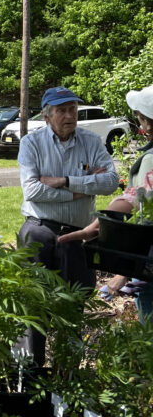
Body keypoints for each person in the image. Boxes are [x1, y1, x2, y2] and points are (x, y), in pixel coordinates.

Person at [17, 86, 119, 361]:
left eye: (72, 109)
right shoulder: (31, 143)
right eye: (61, 110)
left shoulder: (91, 141)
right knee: (33, 306)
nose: (69, 115)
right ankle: (30, 371)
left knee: (73, 306)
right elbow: (32, 190)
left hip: (78, 235)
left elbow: (111, 182)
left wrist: (65, 181)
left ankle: (68, 371)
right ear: (46, 116)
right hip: (39, 231)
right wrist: (82, 190)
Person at [59, 84, 153, 321]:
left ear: (147, 122)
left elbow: (140, 205)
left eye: (139, 116)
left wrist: (97, 227)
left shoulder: (151, 161)